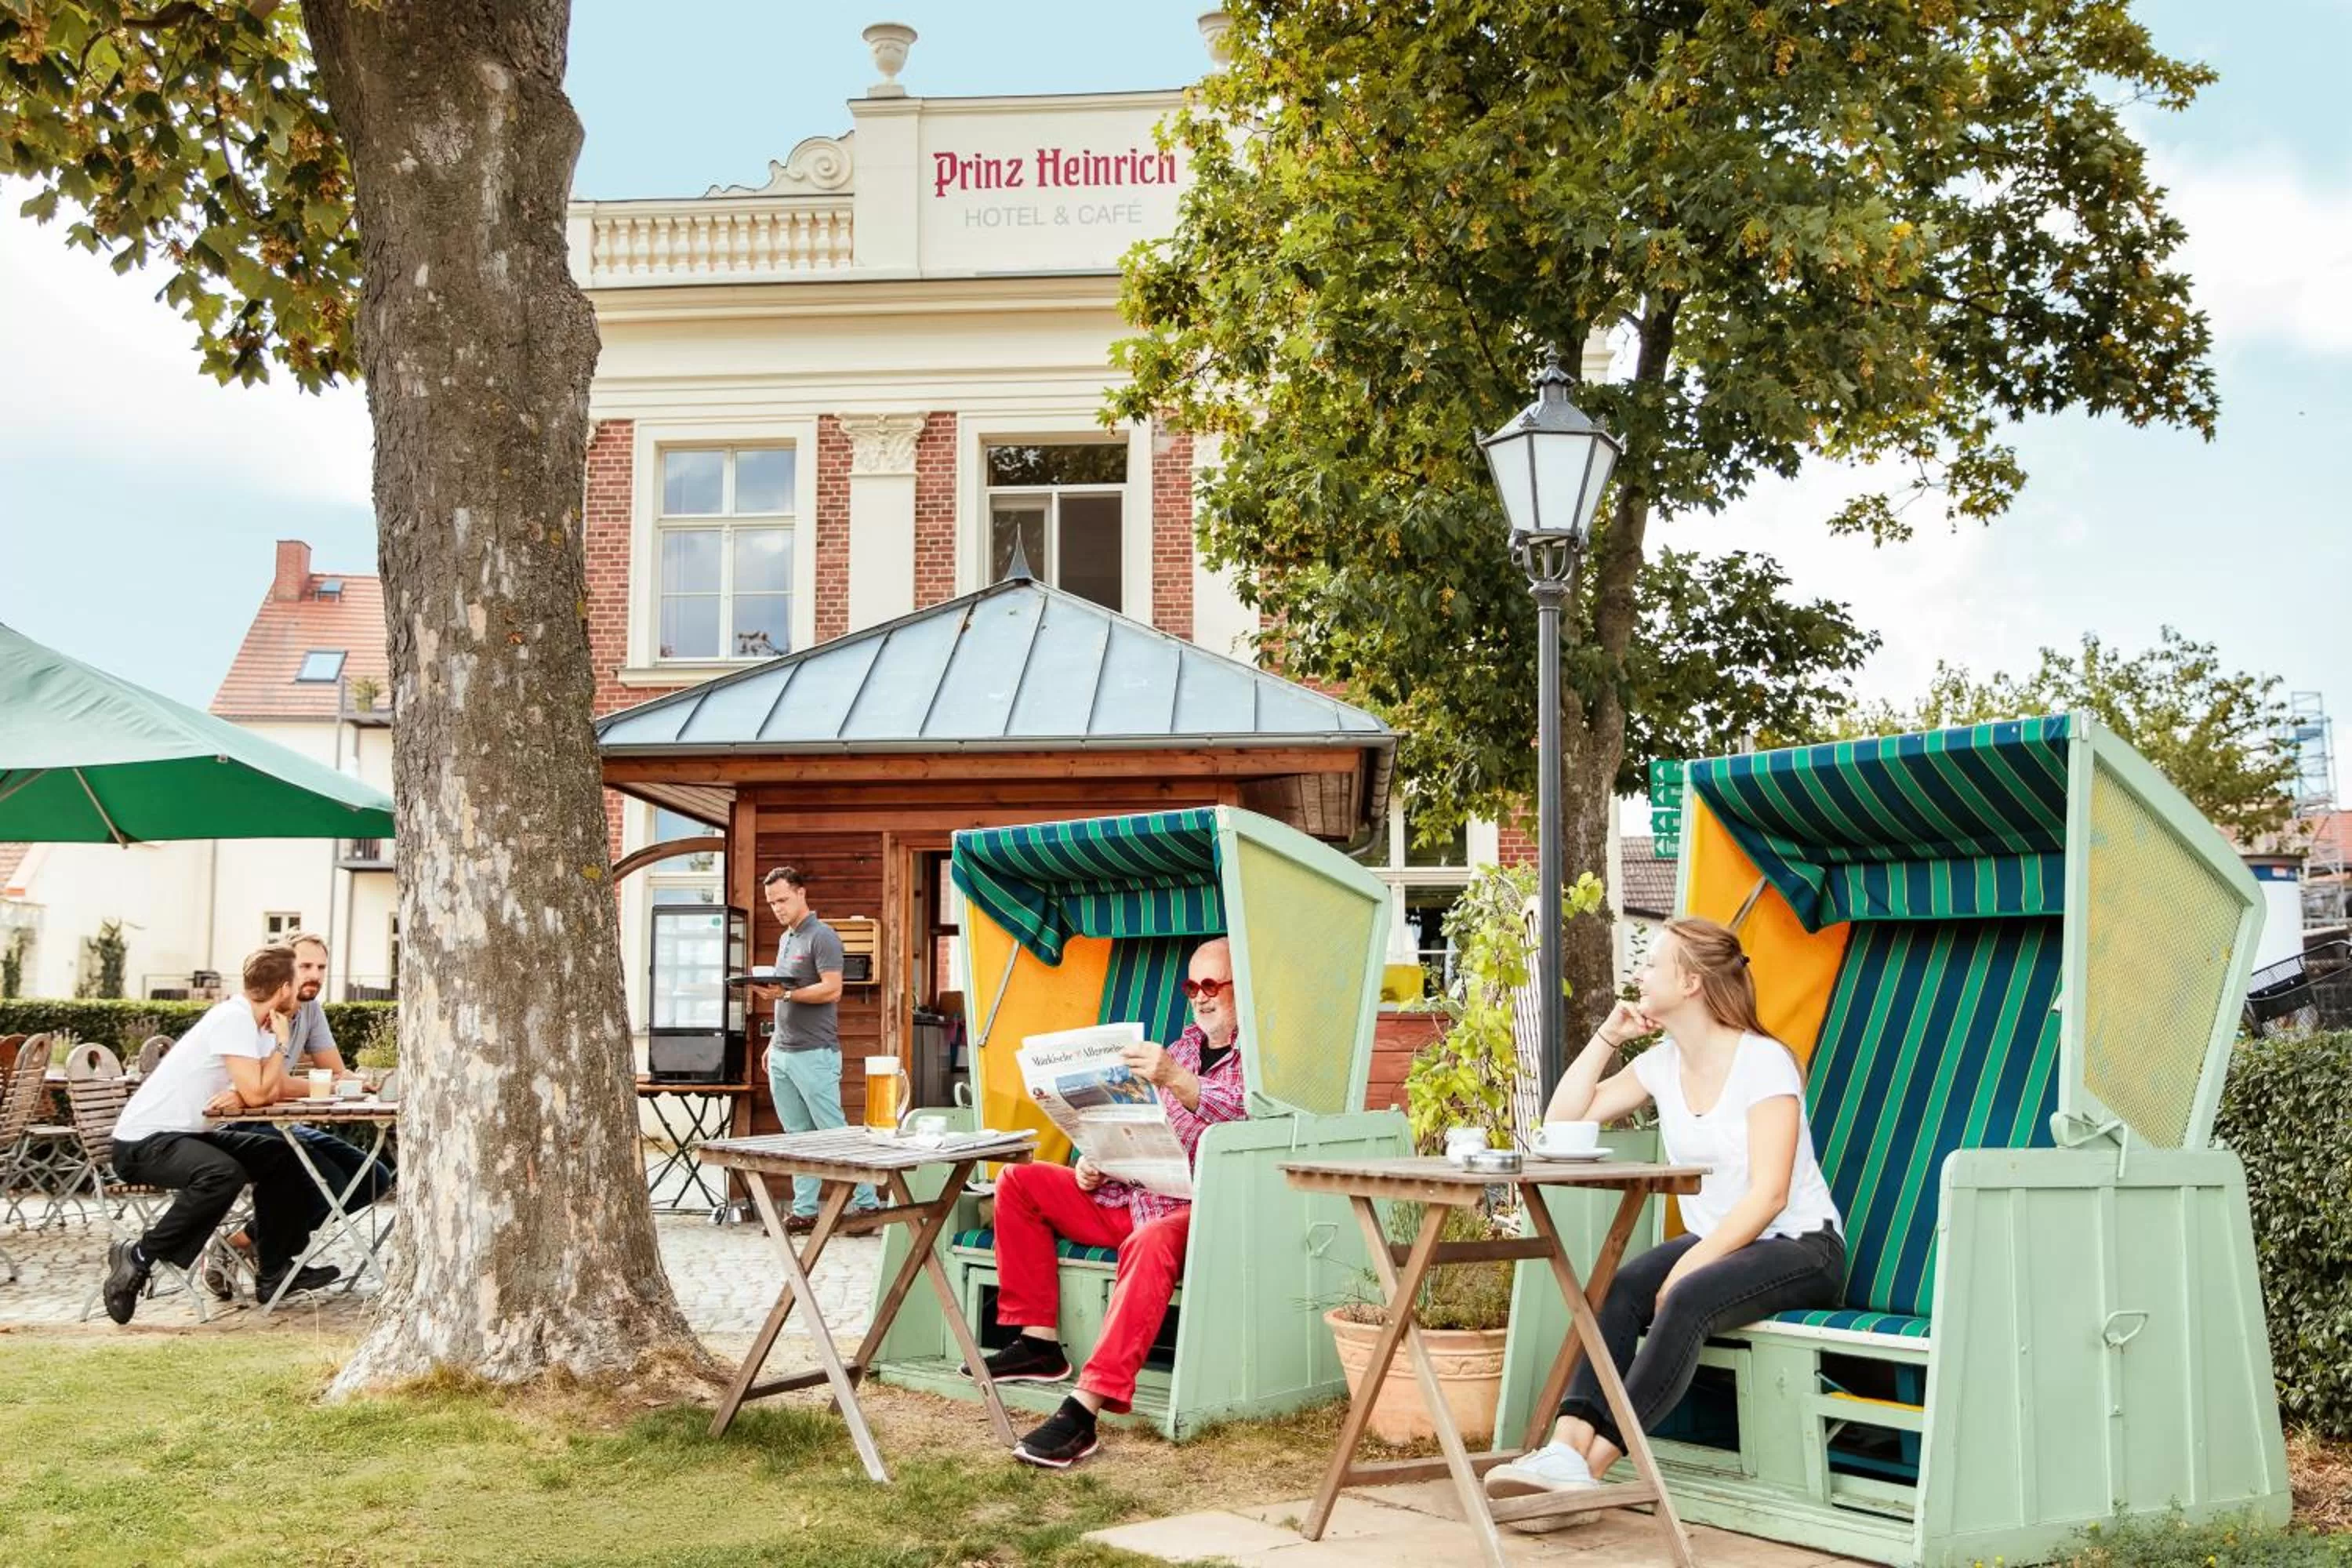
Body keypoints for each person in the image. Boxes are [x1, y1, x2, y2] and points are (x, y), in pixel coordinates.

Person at [1485, 916, 1846, 1519]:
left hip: (1803, 1247)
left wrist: (1690, 1267)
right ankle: (1563, 1449)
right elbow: (1564, 1121)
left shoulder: (1763, 1061)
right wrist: (1607, 1037)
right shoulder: (1663, 1062)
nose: (1639, 974)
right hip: (1725, 1243)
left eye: (1651, 964)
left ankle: (1589, 1473)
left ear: (1692, 983)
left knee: (1684, 1298)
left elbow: (1770, 1195)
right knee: (1625, 1287)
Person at [981, 936, 1246, 1469]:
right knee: (1018, 1180)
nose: (1200, 996)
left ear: (1244, 988)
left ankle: (1084, 1410)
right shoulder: (1185, 1045)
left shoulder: (1260, 1055)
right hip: (1135, 1194)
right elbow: (1134, 1125)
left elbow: (1249, 1118)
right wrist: (1094, 1159)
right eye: (1192, 986)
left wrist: (1176, 1078)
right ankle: (1039, 1341)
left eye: (1212, 985)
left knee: (1148, 1243)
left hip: (1205, 1209)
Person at [103, 946, 338, 1323]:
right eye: (299, 981)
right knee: (222, 1173)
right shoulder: (234, 1019)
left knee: (280, 1154)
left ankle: (274, 1270)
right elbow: (260, 1092)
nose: (306, 988)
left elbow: (269, 1087)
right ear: (282, 989)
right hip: (144, 1143)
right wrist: (279, 1046)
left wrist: (334, 1085)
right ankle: (138, 1256)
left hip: (184, 1136)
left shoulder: (258, 1026)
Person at [201, 933, 394, 1298]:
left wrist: (375, 1081)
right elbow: (268, 1086)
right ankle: (275, 1261)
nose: (315, 975)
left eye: (321, 967)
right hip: (240, 1124)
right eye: (305, 966)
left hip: (283, 1122)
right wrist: (328, 1087)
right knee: (328, 1180)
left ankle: (244, 1240)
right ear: (284, 973)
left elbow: (335, 1073)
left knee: (372, 1178)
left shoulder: (311, 1010)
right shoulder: (256, 1012)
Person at [746, 865, 877, 1228]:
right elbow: (781, 994)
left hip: (815, 1054)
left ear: (802, 893)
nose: (777, 908)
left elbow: (833, 989)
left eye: (783, 900)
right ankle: (805, 1211)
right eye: (771, 903)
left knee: (833, 1132)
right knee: (798, 1138)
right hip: (784, 1054)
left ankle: (867, 1205)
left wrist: (786, 992)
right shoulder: (787, 939)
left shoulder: (823, 936)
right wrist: (773, 1040)